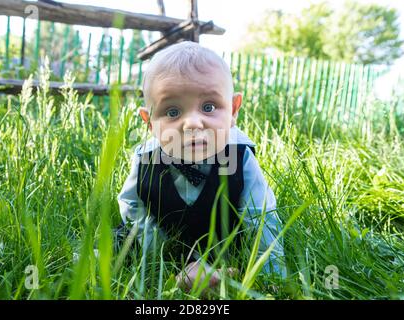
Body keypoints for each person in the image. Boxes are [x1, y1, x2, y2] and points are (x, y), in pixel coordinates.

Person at [117, 41, 286, 292]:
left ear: (233, 110)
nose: (193, 123)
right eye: (173, 111)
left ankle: (222, 271)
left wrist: (274, 279)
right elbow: (133, 206)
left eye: (209, 107)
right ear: (149, 122)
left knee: (240, 255)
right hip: (166, 233)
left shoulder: (239, 156)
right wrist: (159, 262)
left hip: (225, 238)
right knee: (118, 247)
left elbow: (260, 215)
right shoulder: (146, 160)